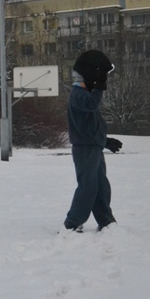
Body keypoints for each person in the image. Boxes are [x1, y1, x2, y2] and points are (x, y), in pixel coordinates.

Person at [63, 50, 121, 233]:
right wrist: (100, 84)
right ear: (90, 74)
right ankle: (72, 223)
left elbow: (90, 126)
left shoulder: (84, 93)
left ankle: (105, 220)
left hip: (93, 146)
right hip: (84, 149)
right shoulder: (77, 94)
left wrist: (105, 141)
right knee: (88, 186)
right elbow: (91, 104)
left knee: (101, 186)